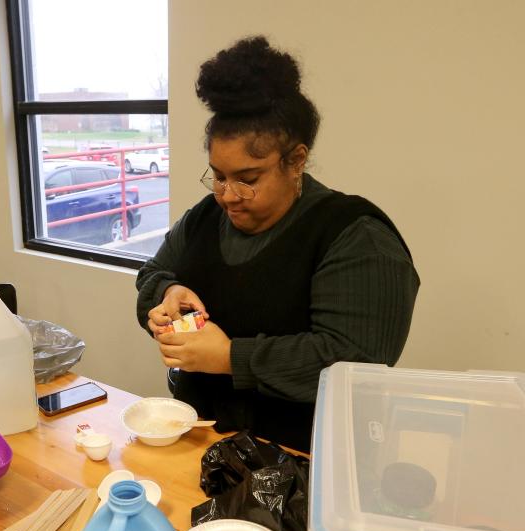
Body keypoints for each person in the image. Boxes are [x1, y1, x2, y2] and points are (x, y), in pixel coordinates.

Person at [136, 36, 420, 452]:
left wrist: (231, 357)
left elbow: (355, 359)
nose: (228, 195)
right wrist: (167, 292)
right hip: (203, 441)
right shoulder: (204, 218)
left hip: (302, 458)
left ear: (297, 160)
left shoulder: (355, 236)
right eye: (218, 175)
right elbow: (150, 276)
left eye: (248, 180)